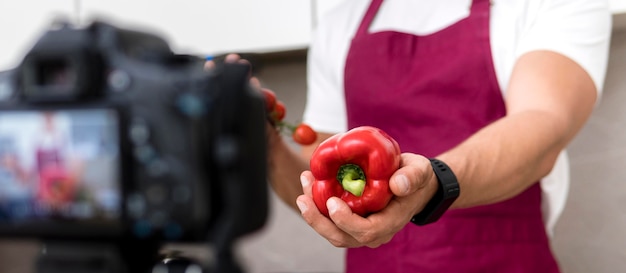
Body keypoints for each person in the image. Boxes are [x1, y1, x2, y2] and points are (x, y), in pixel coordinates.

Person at [210, 0, 612, 271]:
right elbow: (321, 184)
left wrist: (436, 182)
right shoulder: (342, 19)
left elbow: (542, 124)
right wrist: (269, 144)